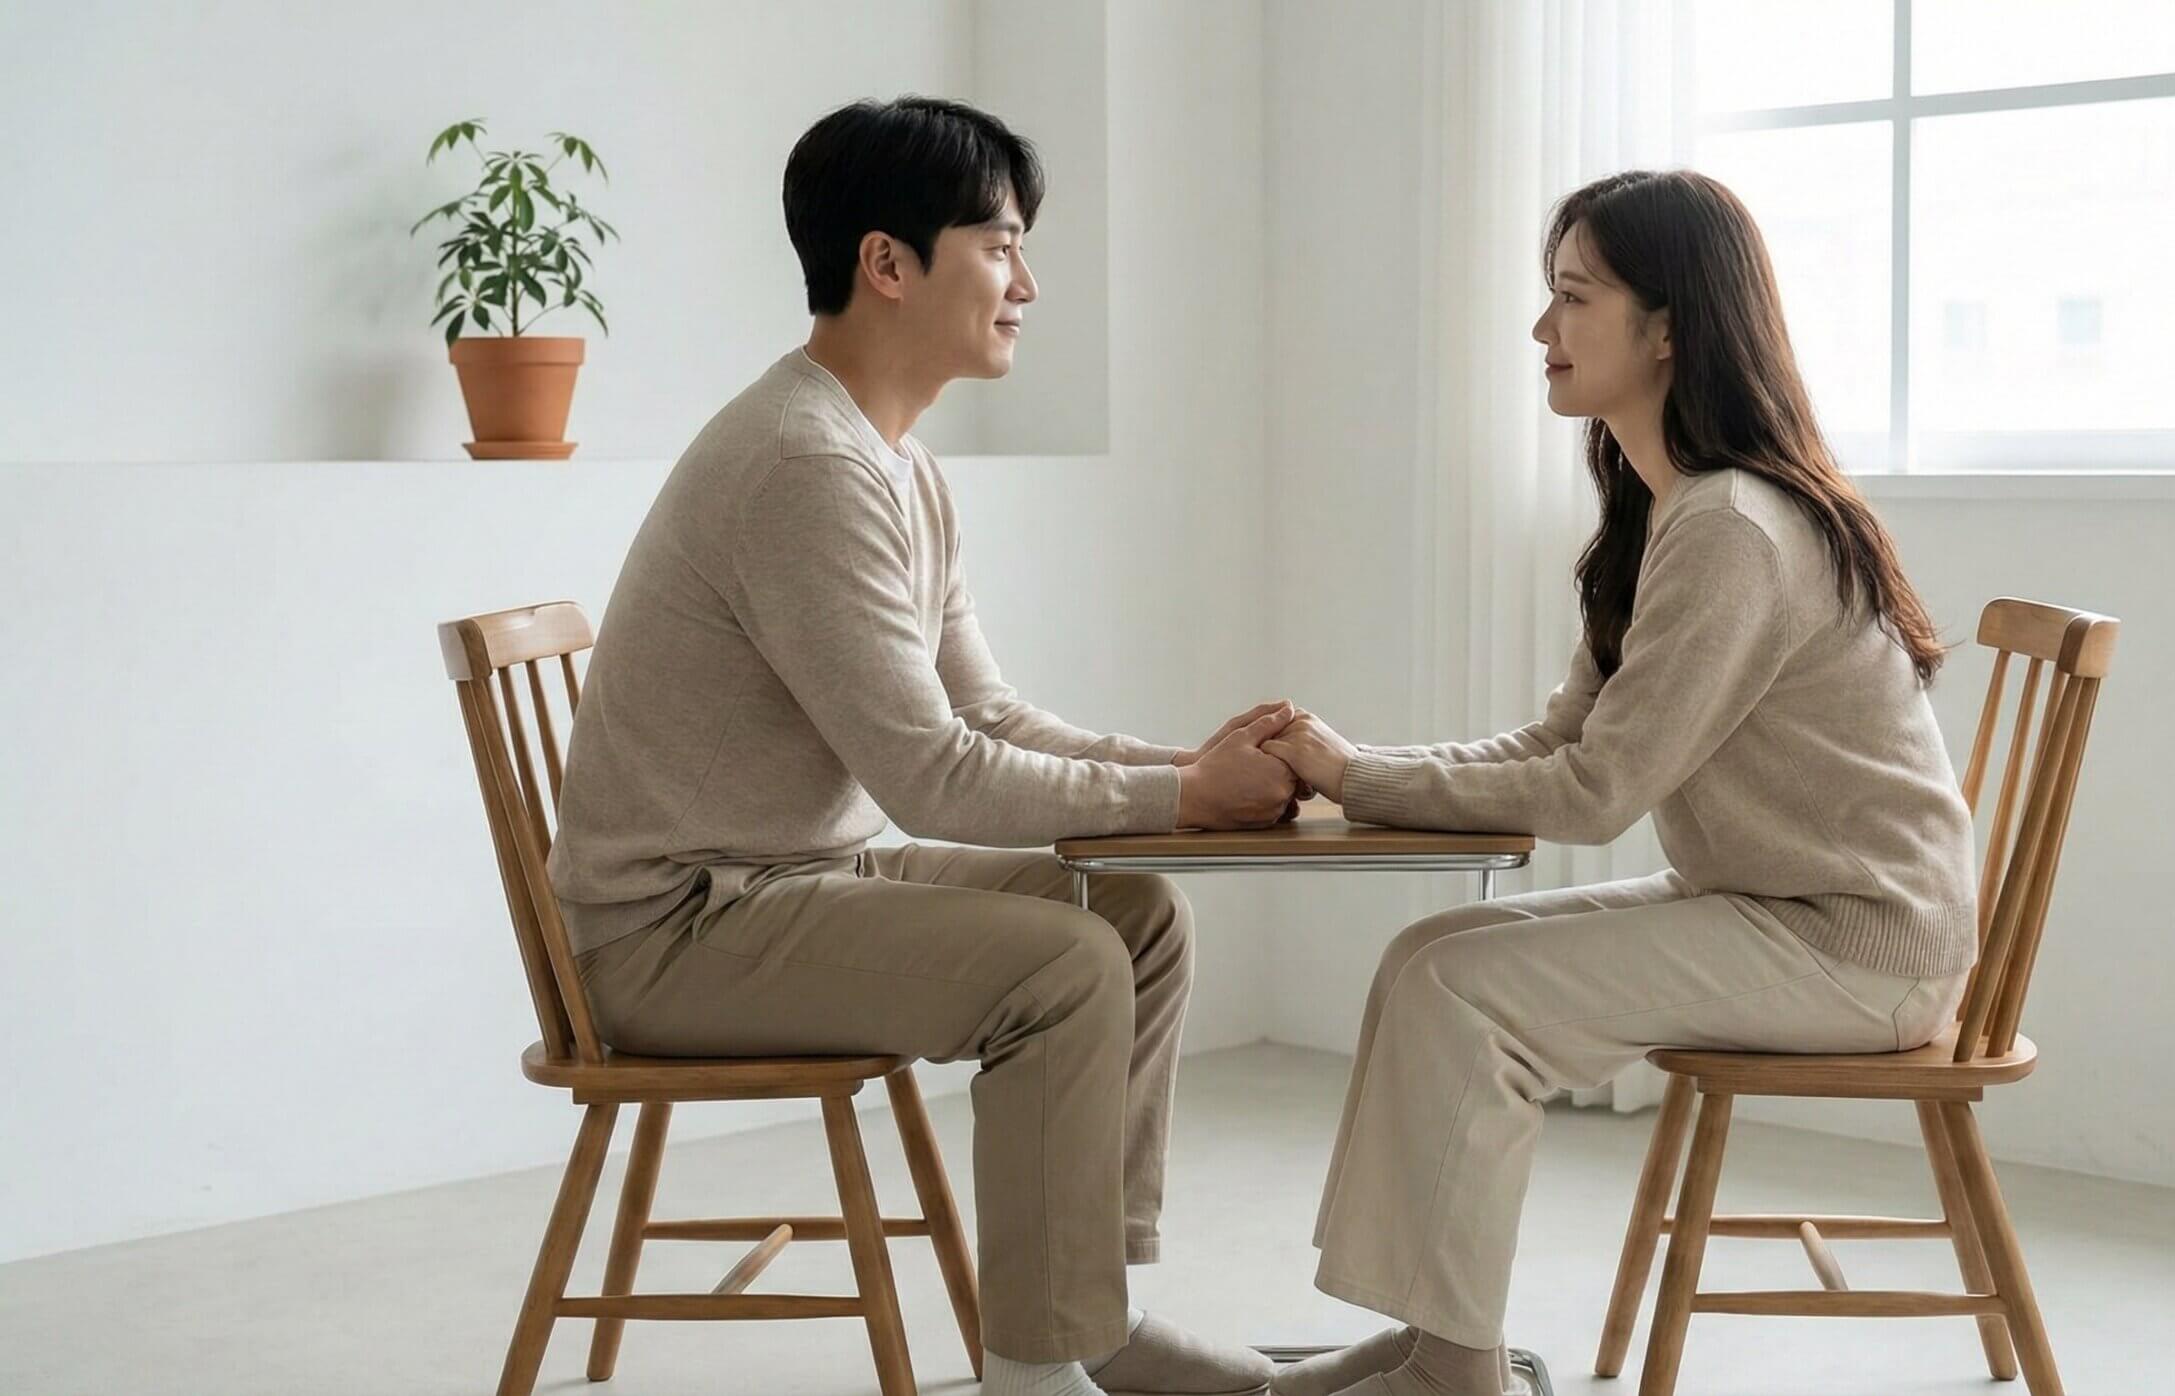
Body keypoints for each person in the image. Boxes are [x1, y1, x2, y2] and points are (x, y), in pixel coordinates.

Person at [547, 96, 1289, 1396]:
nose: (1028, 283)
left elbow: (989, 720)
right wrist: (1186, 789)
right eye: (1000, 245)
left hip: (789, 882)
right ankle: (1032, 1367)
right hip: (676, 931)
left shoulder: (896, 464)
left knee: (1138, 917)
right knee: (1062, 968)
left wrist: (1190, 775)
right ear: (889, 264)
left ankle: (1086, 1317)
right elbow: (931, 778)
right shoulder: (804, 467)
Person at [1257, 169, 1981, 1396]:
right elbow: (1558, 742)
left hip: (1858, 948)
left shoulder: (1733, 528)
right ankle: (1446, 1347)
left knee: (1462, 991)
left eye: (1571, 299)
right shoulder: (1672, 514)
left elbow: (1593, 794)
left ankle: (1452, 1368)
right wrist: (1352, 772)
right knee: (1434, 959)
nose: (1542, 331)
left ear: (1667, 329)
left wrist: (1358, 775)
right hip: (1776, 909)